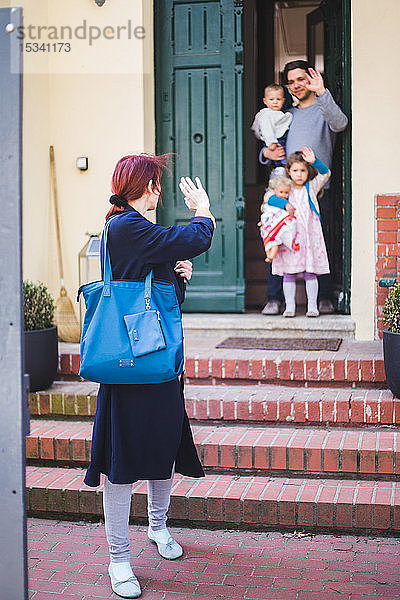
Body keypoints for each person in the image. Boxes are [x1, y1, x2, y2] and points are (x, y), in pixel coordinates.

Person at [83, 153, 215, 599]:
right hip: (128, 367)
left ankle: (158, 528)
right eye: (156, 182)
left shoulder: (137, 231)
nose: (160, 189)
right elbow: (195, 236)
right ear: (145, 185)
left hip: (155, 361)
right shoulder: (126, 225)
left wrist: (181, 279)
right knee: (120, 466)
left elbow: (160, 294)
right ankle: (118, 559)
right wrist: (204, 210)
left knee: (161, 449)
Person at [260, 60, 348, 315]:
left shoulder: (324, 108)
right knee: (277, 237)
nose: (297, 85)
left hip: (318, 191)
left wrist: (322, 92)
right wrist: (266, 152)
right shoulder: (288, 114)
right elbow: (272, 143)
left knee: (320, 242)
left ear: (311, 78)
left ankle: (324, 297)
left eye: (302, 79)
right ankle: (275, 299)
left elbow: (340, 124)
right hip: (286, 191)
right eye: (292, 82)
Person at [271, 147, 331, 318]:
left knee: (310, 272)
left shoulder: (311, 187)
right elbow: (270, 197)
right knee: (289, 272)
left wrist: (315, 162)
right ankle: (290, 307)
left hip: (310, 238)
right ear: (288, 171)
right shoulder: (285, 188)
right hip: (291, 239)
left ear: (307, 172)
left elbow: (326, 173)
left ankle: (312, 306)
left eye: (303, 170)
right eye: (295, 170)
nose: (299, 174)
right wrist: (285, 204)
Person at [258, 174, 298, 264]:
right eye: (281, 192)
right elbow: (268, 212)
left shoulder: (287, 201)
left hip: (279, 228)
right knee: (267, 242)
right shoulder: (271, 199)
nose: (284, 195)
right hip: (270, 226)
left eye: (286, 193)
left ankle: (271, 257)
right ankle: (268, 255)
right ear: (274, 190)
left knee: (275, 242)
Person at [251, 83, 292, 167]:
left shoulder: (279, 113)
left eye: (278, 99)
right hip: (273, 141)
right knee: (280, 155)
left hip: (279, 140)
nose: (275, 102)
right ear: (265, 101)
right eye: (271, 99)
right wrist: (271, 142)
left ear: (283, 101)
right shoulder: (267, 114)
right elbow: (266, 129)